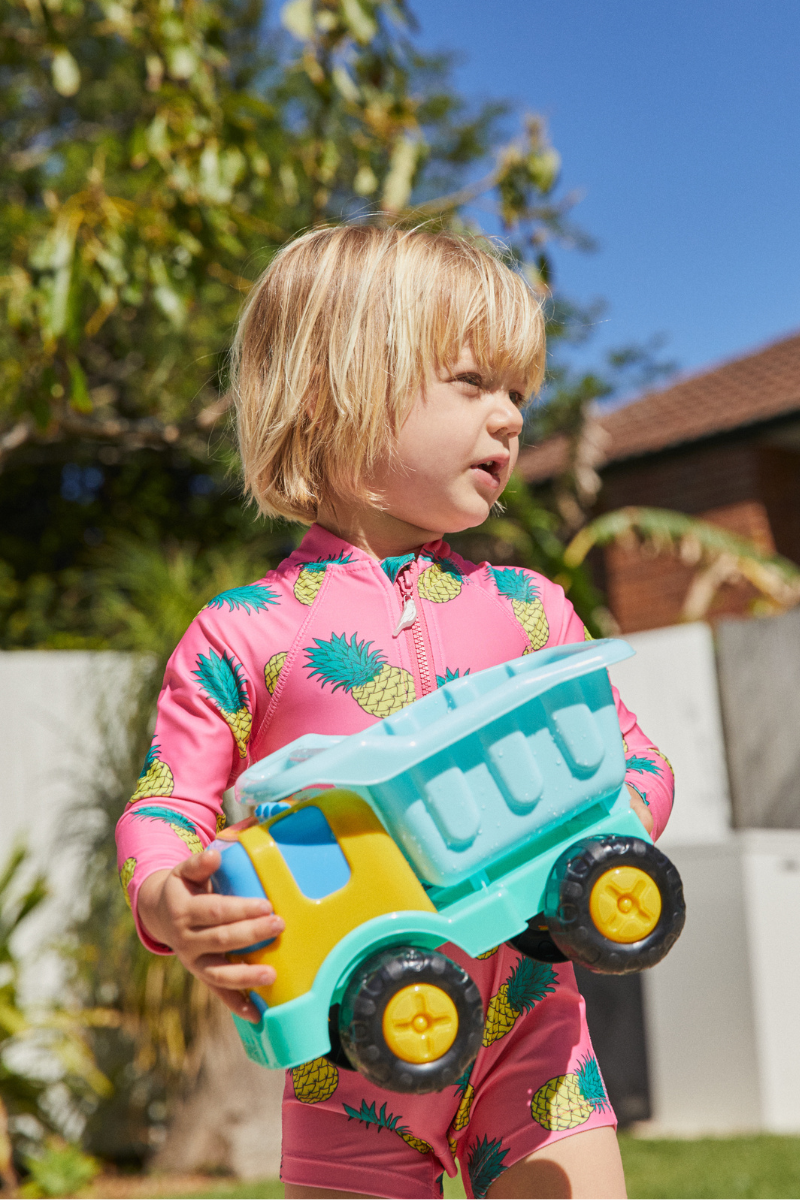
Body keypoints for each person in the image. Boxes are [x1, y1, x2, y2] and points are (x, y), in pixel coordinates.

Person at [116, 225, 673, 1200]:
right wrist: (170, 899)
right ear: (337, 388)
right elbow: (166, 808)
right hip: (347, 1058)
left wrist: (599, 856)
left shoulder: (530, 608)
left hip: (535, 1046)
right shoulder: (241, 633)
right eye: (471, 383)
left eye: (517, 394)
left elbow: (634, 762)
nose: (507, 419)